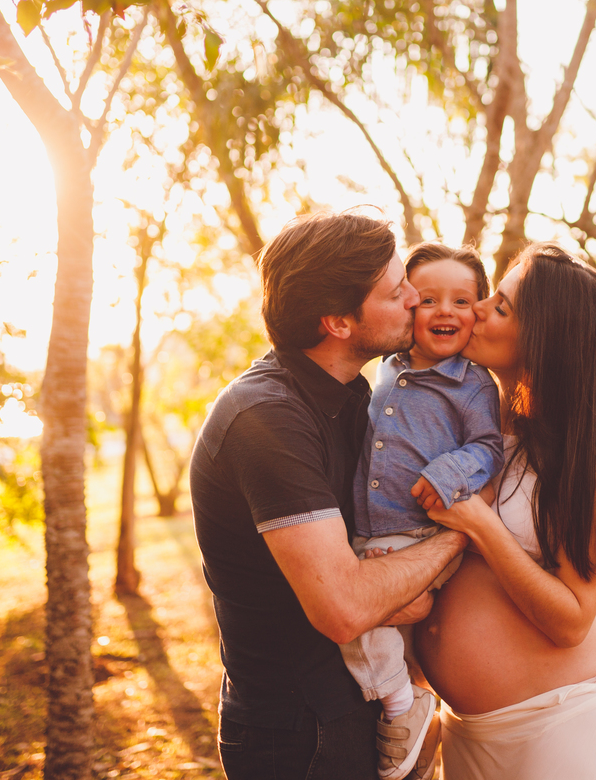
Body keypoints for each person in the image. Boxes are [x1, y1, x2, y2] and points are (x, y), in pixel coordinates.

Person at [189, 212, 469, 780]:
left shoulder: (352, 399)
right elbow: (345, 608)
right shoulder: (266, 419)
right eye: (396, 292)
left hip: (361, 707)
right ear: (338, 323)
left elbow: (367, 578)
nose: (416, 298)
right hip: (299, 734)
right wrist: (460, 535)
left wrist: (392, 590)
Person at [416, 243, 596, 780]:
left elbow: (570, 620)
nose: (477, 310)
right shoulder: (473, 422)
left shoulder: (583, 455)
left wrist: (480, 525)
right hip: (466, 730)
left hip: (555, 733)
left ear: (545, 340)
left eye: (500, 306)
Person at [344, 243, 504, 780]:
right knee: (383, 637)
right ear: (407, 305)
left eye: (462, 301)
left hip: (418, 532)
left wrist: (450, 472)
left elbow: (488, 447)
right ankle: (413, 716)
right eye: (428, 298)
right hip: (371, 532)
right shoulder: (385, 370)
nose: (445, 311)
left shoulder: (472, 383)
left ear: (477, 311)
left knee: (359, 623)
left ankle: (400, 708)